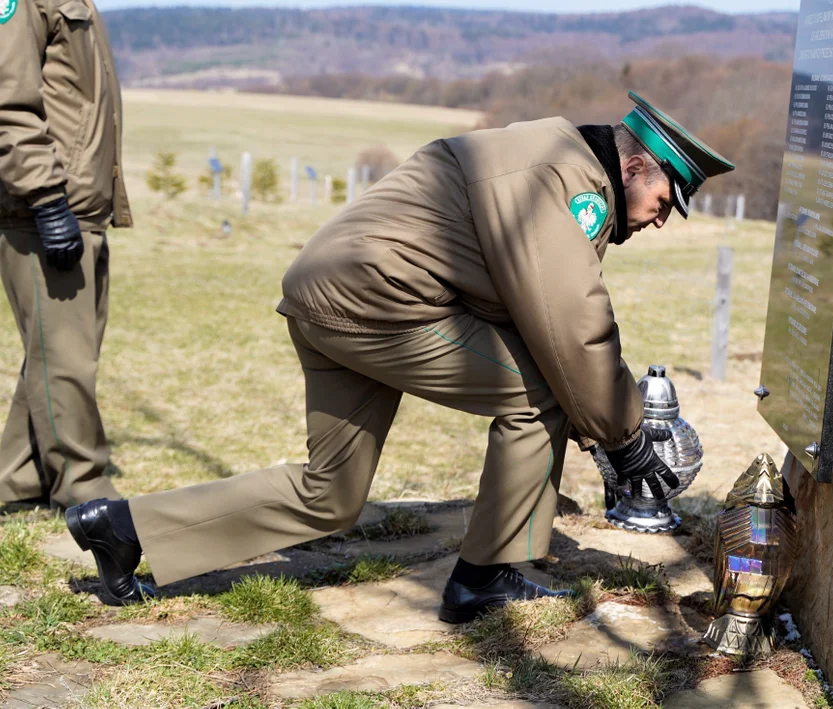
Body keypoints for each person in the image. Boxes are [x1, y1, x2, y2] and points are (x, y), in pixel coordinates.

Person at [65, 92, 734, 616]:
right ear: (634, 166)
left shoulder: (546, 150)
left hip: (329, 293)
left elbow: (533, 307)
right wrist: (624, 439)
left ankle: (126, 528)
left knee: (330, 494)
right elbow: (573, 327)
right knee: (542, 391)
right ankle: (485, 578)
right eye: (664, 200)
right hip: (380, 304)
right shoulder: (570, 183)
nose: (659, 218)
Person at [0, 0, 131, 510]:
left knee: (57, 354)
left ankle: (17, 477)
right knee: (65, 360)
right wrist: (47, 199)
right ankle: (85, 488)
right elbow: (9, 106)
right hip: (46, 208)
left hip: (78, 207)